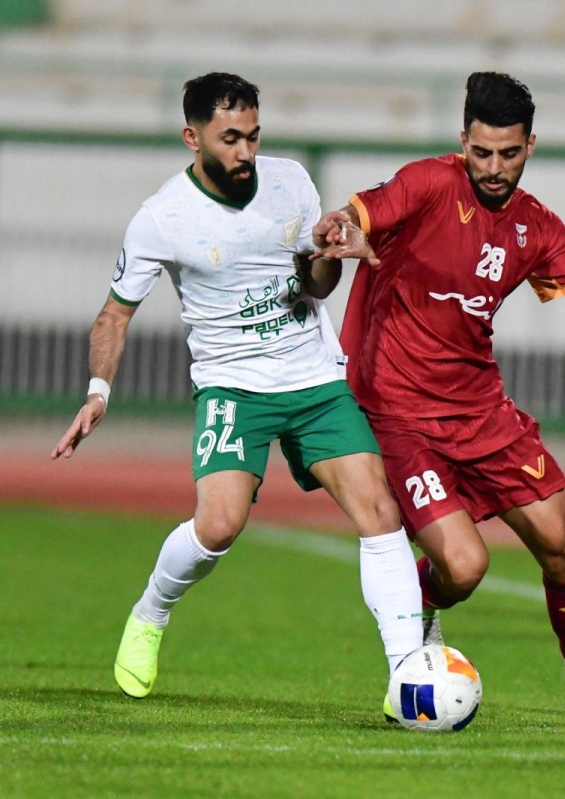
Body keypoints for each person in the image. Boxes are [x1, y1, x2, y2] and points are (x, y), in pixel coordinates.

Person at [51, 73, 422, 707]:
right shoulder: (162, 217)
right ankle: (151, 611)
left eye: (253, 135)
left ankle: (408, 677)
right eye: (230, 139)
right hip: (232, 386)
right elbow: (114, 315)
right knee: (219, 525)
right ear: (192, 137)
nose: (246, 151)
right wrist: (97, 393)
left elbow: (317, 285)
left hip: (312, 377)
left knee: (380, 512)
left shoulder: (291, 181)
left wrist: (328, 253)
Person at [311, 72, 565, 730]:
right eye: (481, 152)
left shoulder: (536, 227)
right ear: (463, 140)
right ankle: (422, 613)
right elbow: (356, 215)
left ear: (530, 146)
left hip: (482, 412)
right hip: (401, 414)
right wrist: (340, 228)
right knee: (464, 567)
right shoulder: (427, 184)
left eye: (508, 153)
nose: (493, 167)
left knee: (564, 546)